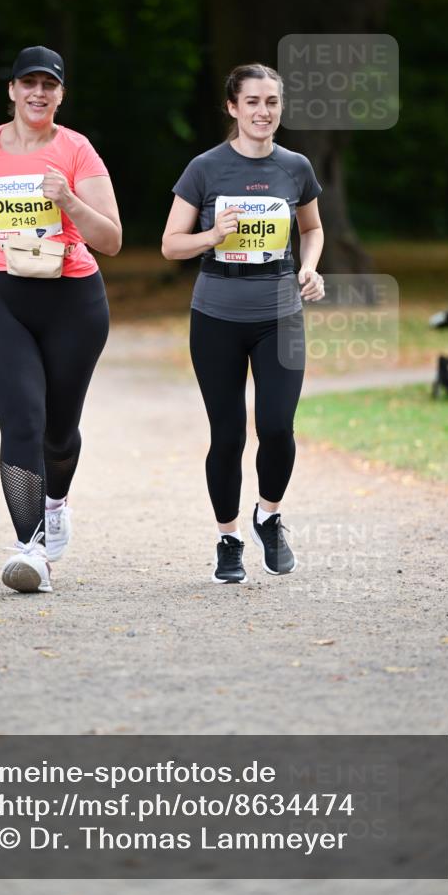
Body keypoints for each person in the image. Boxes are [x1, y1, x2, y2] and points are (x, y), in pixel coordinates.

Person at [0, 45, 121, 593]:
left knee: (58, 433)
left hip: (72, 298)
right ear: (12, 90)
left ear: (61, 94)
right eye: (29, 83)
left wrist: (69, 201)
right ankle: (31, 550)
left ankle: (55, 504)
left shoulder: (77, 150)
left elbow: (111, 239)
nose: (38, 93)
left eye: (49, 85)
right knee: (22, 421)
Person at [162, 63, 324, 584]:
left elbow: (312, 228)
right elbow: (170, 245)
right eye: (252, 101)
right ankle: (228, 539)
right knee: (228, 434)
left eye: (271, 101)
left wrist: (309, 266)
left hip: (280, 316)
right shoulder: (205, 168)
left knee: (276, 427)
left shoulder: (295, 166)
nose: (263, 111)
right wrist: (212, 236)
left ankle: (268, 517)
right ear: (233, 107)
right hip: (216, 317)